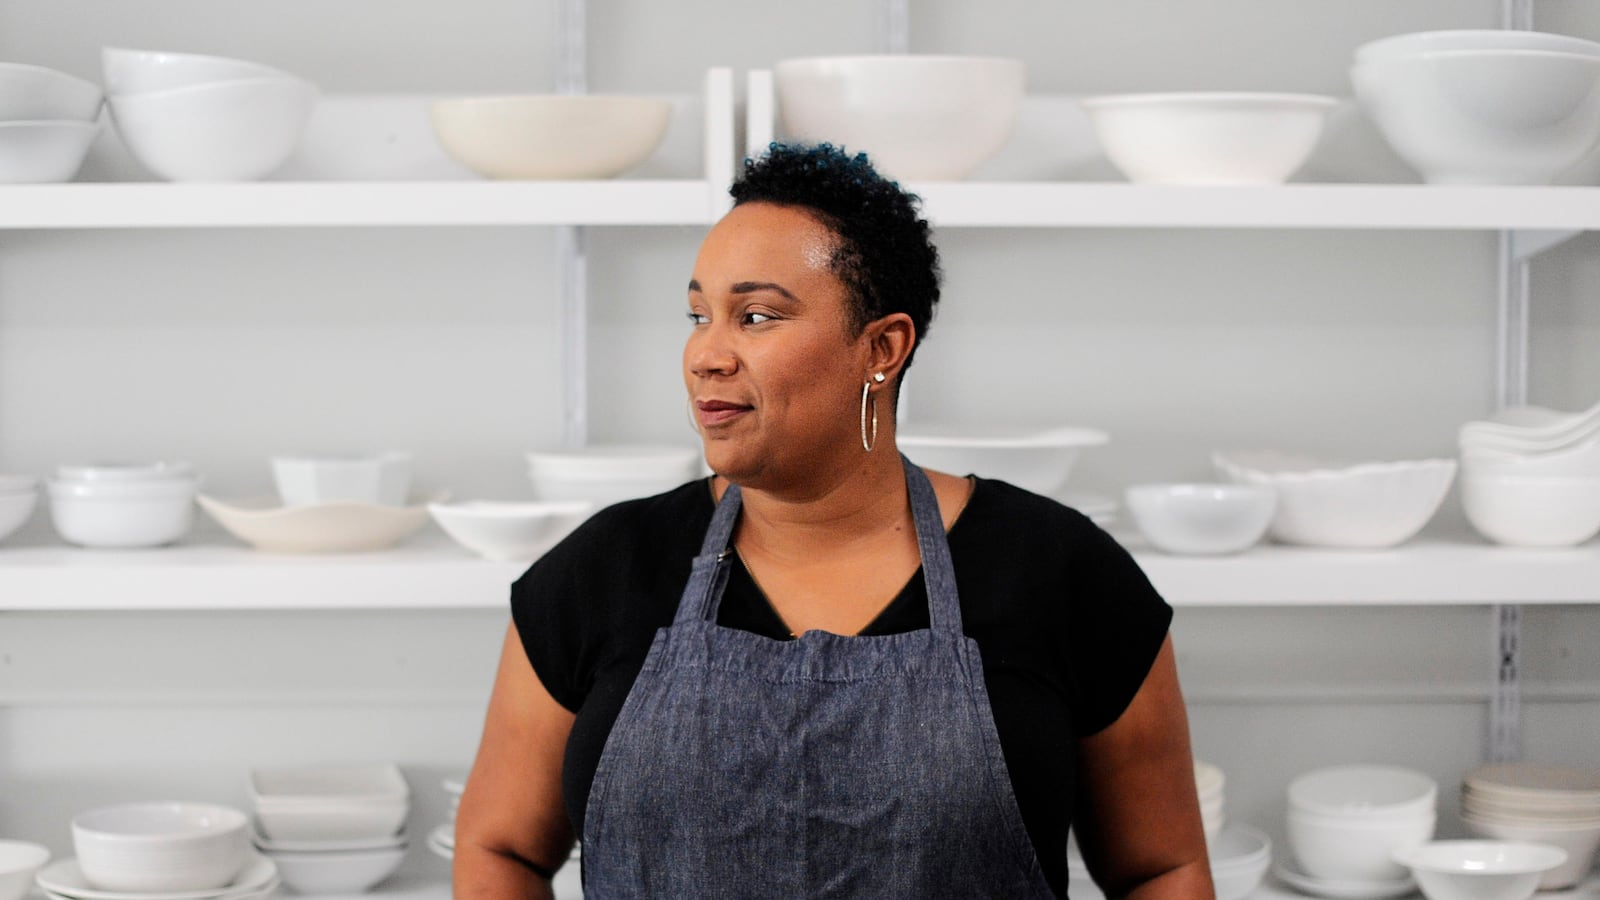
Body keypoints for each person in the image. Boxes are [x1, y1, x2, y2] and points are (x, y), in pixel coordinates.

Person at [454, 143, 1213, 899]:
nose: (706, 355)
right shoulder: (603, 570)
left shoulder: (1059, 570)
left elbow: (1161, 869)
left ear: (882, 347)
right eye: (698, 315)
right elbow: (500, 846)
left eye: (755, 316)